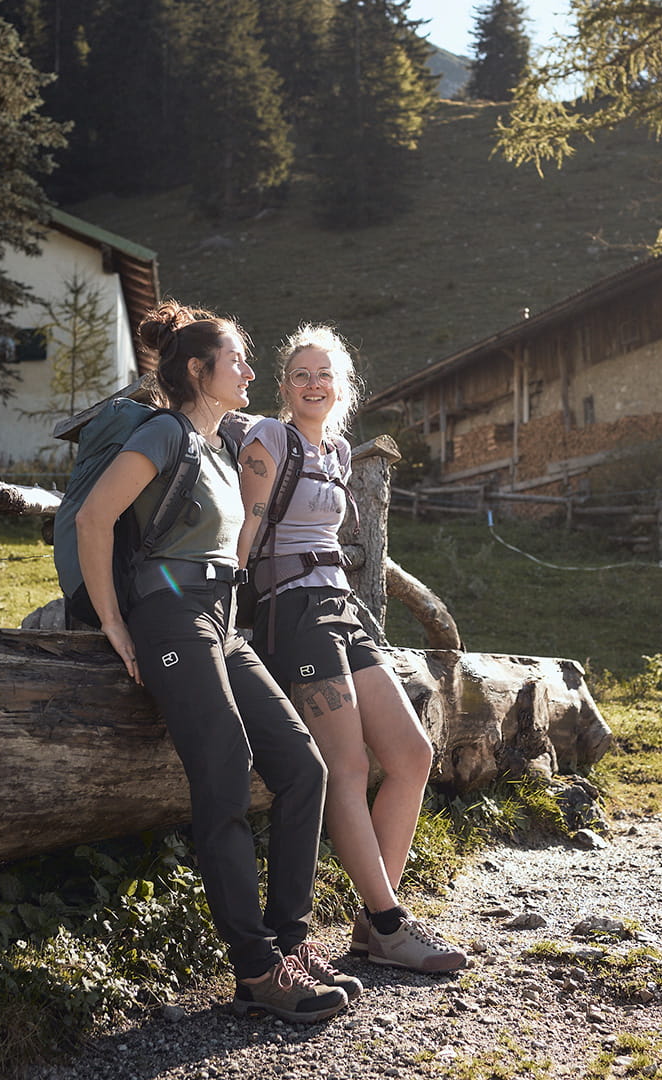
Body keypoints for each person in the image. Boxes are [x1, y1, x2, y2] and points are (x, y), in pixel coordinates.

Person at [74, 300, 361, 1023]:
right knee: (226, 771)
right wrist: (113, 619)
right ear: (199, 371)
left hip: (222, 617)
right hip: (169, 612)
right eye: (236, 360)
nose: (250, 372)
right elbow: (94, 517)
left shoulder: (220, 445)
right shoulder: (165, 432)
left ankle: (289, 946)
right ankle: (255, 967)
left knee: (303, 767)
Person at [235, 323, 467, 974]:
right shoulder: (268, 438)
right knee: (347, 766)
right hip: (292, 610)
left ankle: (372, 923)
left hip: (343, 607)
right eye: (301, 374)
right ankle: (392, 924)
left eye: (324, 374)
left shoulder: (337, 452)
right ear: (285, 386)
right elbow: (247, 528)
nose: (313, 384)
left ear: (342, 387)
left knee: (412, 753)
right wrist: (221, 610)